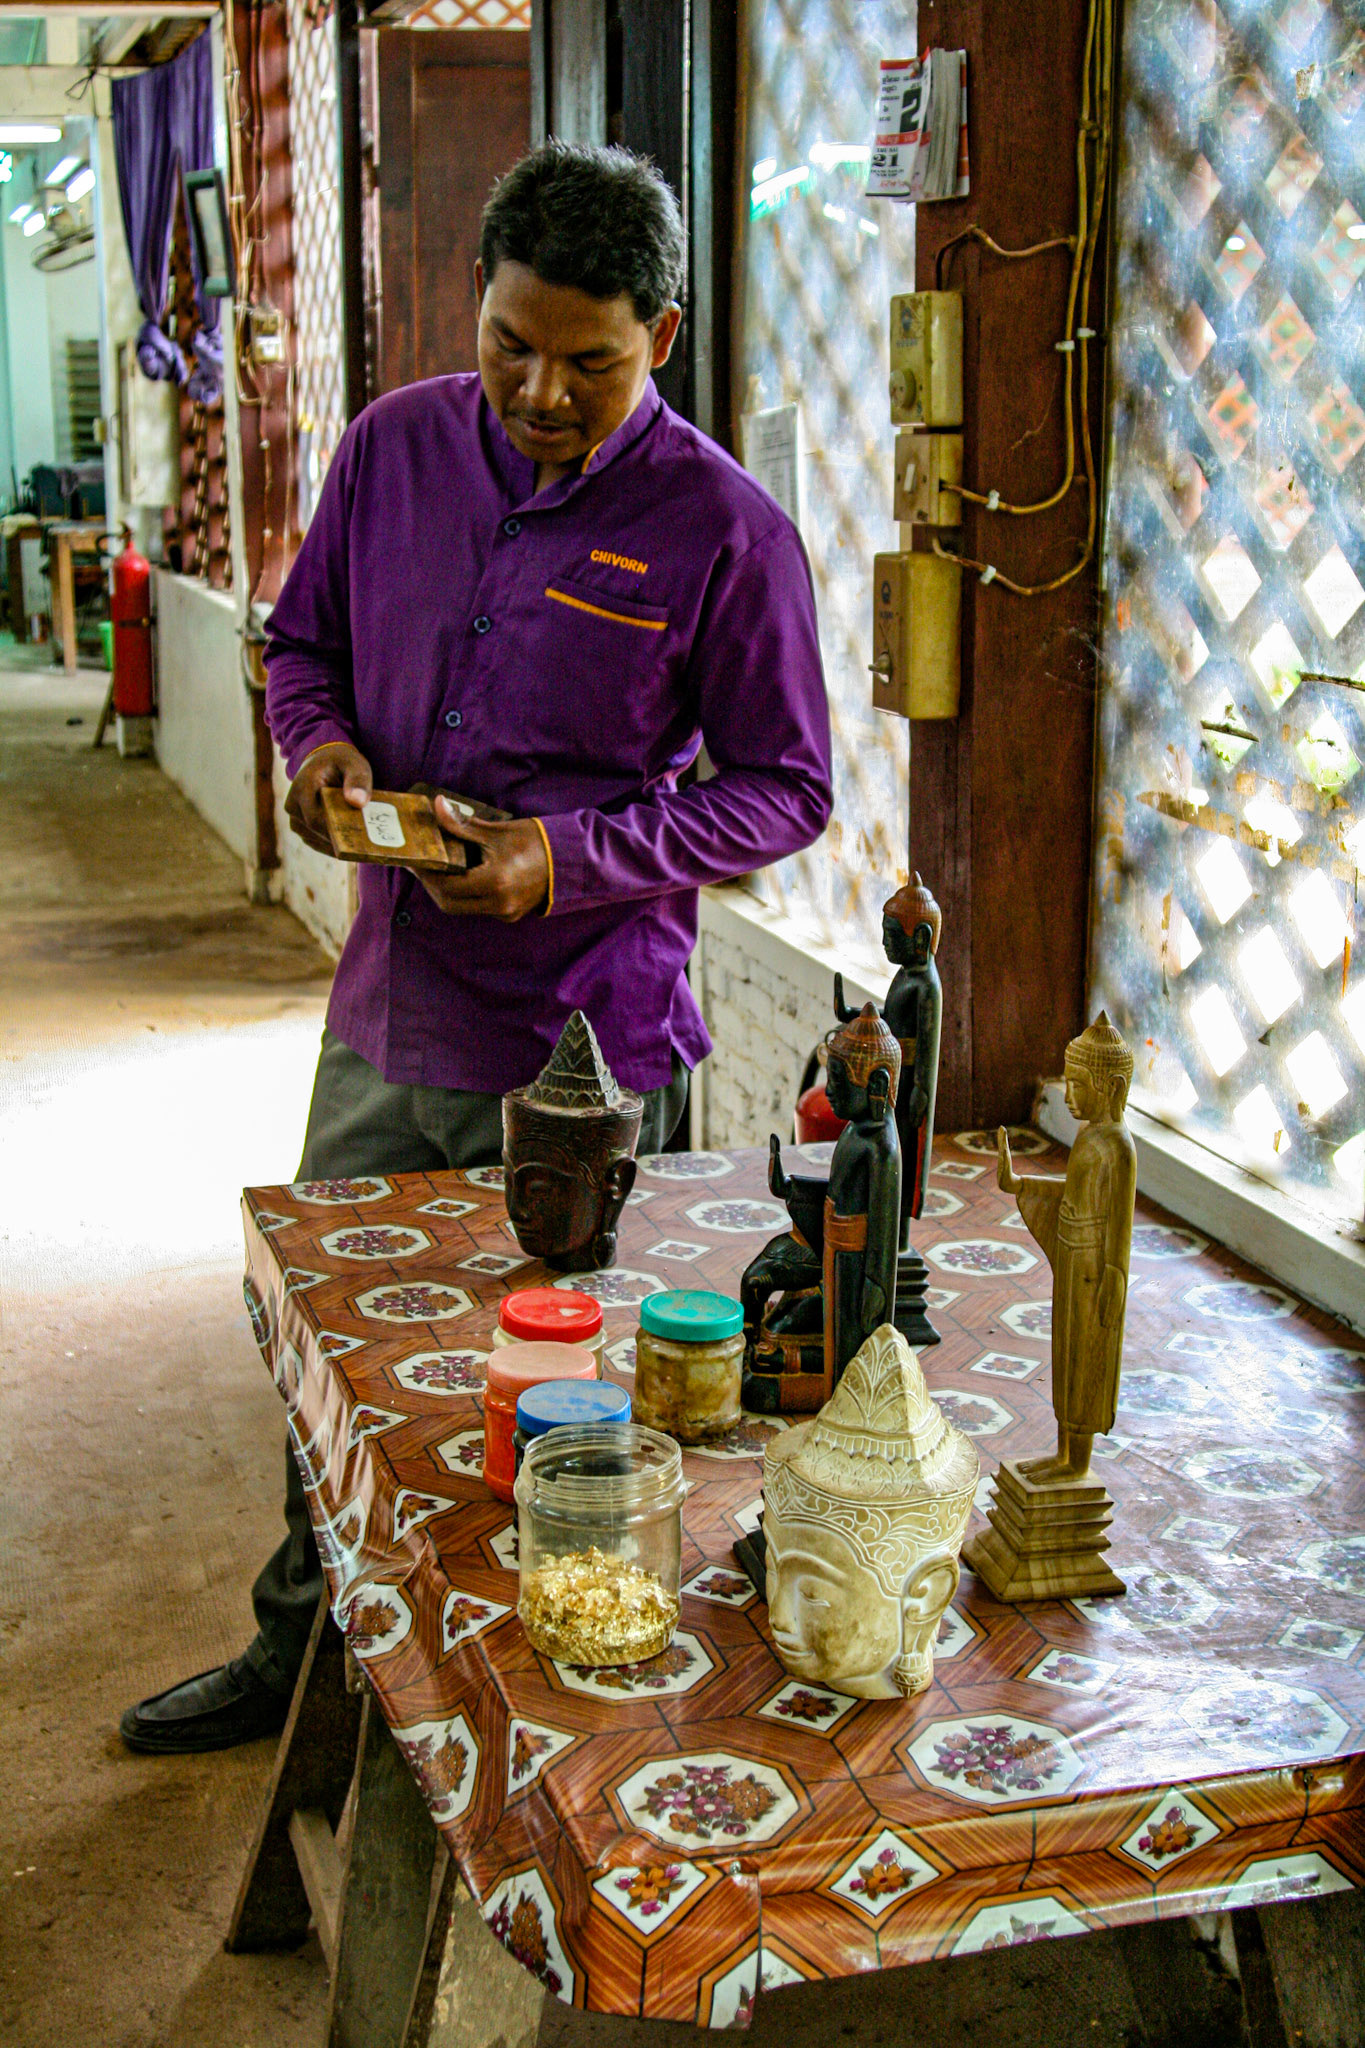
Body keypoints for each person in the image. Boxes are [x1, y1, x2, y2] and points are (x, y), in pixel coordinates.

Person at [120, 140, 832, 1753]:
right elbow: (301, 641)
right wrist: (317, 753)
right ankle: (303, 1656)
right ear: (479, 304)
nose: (538, 389)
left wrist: (567, 858)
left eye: (588, 360)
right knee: (332, 1356)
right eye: (512, 343)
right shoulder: (394, 448)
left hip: (590, 1052)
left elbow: (786, 788)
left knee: (560, 1400)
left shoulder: (721, 527)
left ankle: (514, 1715)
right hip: (392, 1012)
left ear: (662, 327)